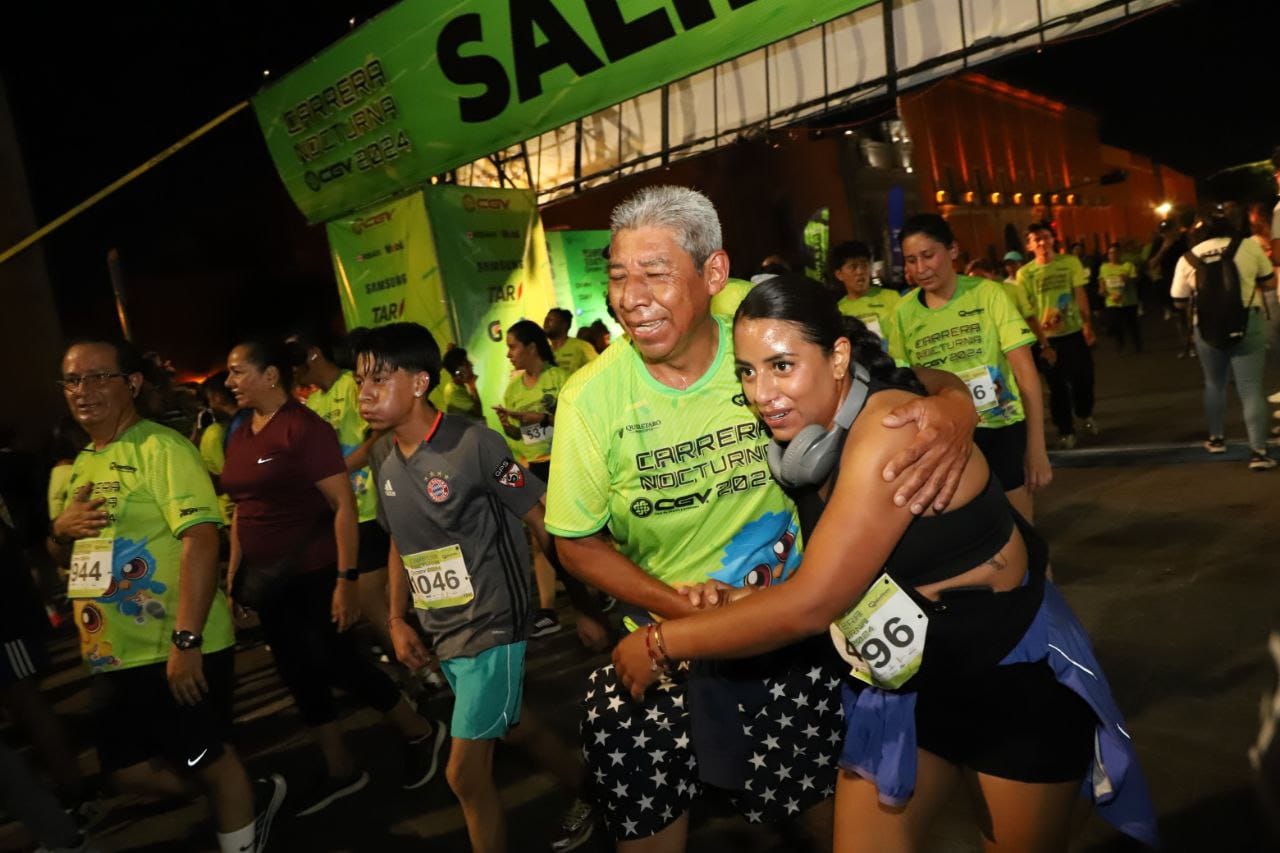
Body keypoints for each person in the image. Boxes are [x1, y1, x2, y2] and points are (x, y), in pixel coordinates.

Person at [610, 275, 1158, 853]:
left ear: (839, 355)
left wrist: (663, 643)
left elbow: (815, 603)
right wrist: (736, 602)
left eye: (781, 366)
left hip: (1009, 684)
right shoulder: (817, 432)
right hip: (909, 686)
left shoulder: (888, 429)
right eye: (748, 372)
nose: (762, 392)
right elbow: (839, 578)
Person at [545, 185, 980, 851]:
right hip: (661, 643)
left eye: (655, 273)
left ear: (712, 274)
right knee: (642, 823)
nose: (631, 297)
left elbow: (892, 371)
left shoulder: (760, 331)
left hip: (798, 636)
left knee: (829, 823)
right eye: (618, 275)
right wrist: (680, 611)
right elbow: (574, 542)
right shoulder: (589, 398)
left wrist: (954, 408)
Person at [354, 321, 597, 853]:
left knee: (464, 774)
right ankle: (596, 791)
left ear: (419, 382)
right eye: (358, 382)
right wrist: (396, 619)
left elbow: (539, 519)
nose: (363, 395)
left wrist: (586, 606)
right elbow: (398, 542)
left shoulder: (476, 444)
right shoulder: (383, 460)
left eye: (377, 379)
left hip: (494, 623)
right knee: (516, 729)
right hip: (444, 631)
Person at [47, 338, 284, 853]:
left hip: (172, 645)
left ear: (131, 383)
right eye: (71, 380)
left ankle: (238, 822)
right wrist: (60, 531)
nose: (82, 391)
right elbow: (68, 552)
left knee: (208, 757)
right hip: (112, 653)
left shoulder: (161, 449)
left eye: (97, 377)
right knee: (125, 770)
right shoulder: (86, 460)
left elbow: (202, 538)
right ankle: (242, 798)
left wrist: (186, 640)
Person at [221, 338, 445, 817]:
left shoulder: (303, 428)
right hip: (268, 578)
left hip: (313, 571)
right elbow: (242, 508)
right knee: (296, 672)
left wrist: (345, 580)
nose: (229, 381)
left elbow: (343, 504)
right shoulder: (240, 430)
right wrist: (235, 570)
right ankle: (340, 767)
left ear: (270, 375)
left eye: (239, 372)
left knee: (337, 661)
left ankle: (420, 730)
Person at [891, 215, 1051, 520]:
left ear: (952, 250)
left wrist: (1037, 447)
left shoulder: (989, 294)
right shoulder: (902, 312)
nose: (920, 269)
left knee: (1023, 532)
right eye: (911, 260)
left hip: (1002, 430)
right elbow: (904, 384)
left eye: (928, 255)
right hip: (947, 438)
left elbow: (1026, 374)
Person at [288, 327, 400, 667]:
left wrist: (339, 470)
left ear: (313, 354)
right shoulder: (315, 402)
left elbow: (382, 434)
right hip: (344, 511)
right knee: (377, 596)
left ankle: (418, 663)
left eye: (293, 360)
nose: (289, 370)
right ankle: (413, 660)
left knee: (368, 595)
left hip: (373, 504)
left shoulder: (354, 385)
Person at [1170, 209, 1277, 470]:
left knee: (1214, 384)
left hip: (1206, 328)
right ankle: (1259, 453)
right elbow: (1271, 282)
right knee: (1251, 387)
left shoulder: (1189, 257)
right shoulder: (1248, 248)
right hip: (1247, 322)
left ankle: (1217, 439)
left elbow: (1178, 300)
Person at [496, 320, 571, 639]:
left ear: (531, 347)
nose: (509, 354)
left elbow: (573, 418)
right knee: (541, 540)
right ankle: (547, 610)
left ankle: (596, 591)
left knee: (574, 537)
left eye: (513, 346)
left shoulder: (559, 379)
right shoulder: (513, 389)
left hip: (565, 464)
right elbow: (519, 436)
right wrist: (510, 426)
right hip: (534, 469)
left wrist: (541, 418)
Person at [1017, 222, 1098, 449]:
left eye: (1046, 237)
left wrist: (1087, 325)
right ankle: (1066, 429)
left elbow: (1080, 293)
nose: (1042, 242)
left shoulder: (1069, 263)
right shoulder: (1025, 274)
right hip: (1047, 339)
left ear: (1053, 239)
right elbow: (1028, 311)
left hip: (1073, 332)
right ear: (1029, 245)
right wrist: (1042, 344)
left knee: (1084, 378)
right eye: (1036, 239)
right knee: (1057, 386)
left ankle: (1085, 414)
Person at [832, 240, 900, 349]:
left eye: (864, 265)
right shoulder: (839, 311)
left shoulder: (892, 297)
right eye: (853, 267)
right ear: (839, 274)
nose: (859, 271)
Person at [197, 371, 238, 526]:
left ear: (217, 397)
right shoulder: (252, 422)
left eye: (209, 399)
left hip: (229, 512)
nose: (210, 405)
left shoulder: (216, 433)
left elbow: (226, 478)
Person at [1098, 243, 1143, 353]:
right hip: (1112, 300)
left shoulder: (1128, 265)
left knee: (1132, 324)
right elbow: (1102, 279)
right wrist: (1102, 288)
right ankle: (1120, 341)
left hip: (1128, 300)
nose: (1113, 255)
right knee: (1114, 323)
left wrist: (1127, 279)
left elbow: (1136, 279)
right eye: (1110, 253)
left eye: (1115, 253)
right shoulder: (1104, 267)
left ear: (1120, 254)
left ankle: (1137, 345)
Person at [544, 308, 599, 376]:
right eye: (546, 319)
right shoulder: (545, 352)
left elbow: (598, 368)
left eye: (551, 320)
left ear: (564, 325)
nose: (546, 323)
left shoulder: (581, 346)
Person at [440, 348, 484, 420]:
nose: (471, 365)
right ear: (459, 372)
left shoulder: (457, 387)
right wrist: (472, 386)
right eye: (467, 363)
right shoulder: (454, 393)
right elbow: (478, 413)